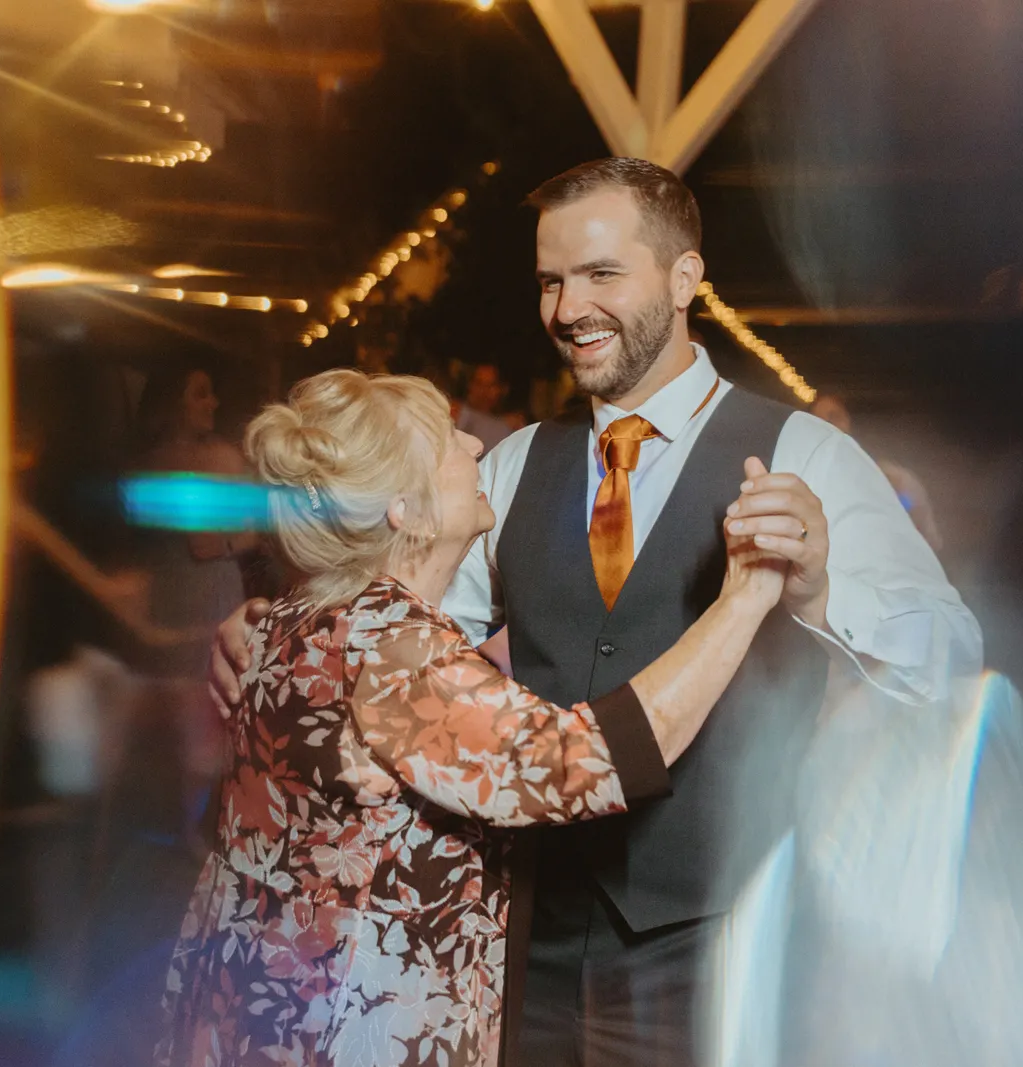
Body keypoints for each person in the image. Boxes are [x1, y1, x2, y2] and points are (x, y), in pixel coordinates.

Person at [212, 158, 981, 1067]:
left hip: (711, 943)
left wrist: (817, 593)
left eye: (601, 274)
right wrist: (278, 621)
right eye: (550, 280)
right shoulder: (510, 464)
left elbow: (951, 656)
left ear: (685, 278)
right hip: (516, 943)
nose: (568, 307)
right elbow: (404, 622)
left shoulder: (808, 452)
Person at [157, 368, 790, 1067]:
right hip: (352, 1028)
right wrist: (744, 599)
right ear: (407, 509)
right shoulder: (395, 653)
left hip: (256, 1005)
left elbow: (441, 711)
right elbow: (594, 758)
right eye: (446, 440)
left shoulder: (293, 617)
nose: (474, 443)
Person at [134, 363, 258, 850]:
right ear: (171, 403)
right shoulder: (158, 461)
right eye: (200, 395)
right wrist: (233, 534)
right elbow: (203, 541)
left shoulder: (223, 456)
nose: (213, 404)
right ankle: (188, 835)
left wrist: (230, 537)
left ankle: (206, 831)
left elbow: (248, 532)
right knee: (190, 721)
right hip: (178, 601)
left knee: (218, 716)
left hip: (218, 594)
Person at [811, 391, 945, 552]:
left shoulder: (892, 478)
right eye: (818, 422)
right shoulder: (809, 482)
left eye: (833, 418)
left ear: (849, 421)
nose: (828, 427)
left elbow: (929, 539)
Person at [456, 362, 512, 453]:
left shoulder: (510, 429)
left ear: (503, 389)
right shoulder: (455, 413)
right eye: (478, 383)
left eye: (491, 385)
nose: (483, 391)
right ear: (469, 385)